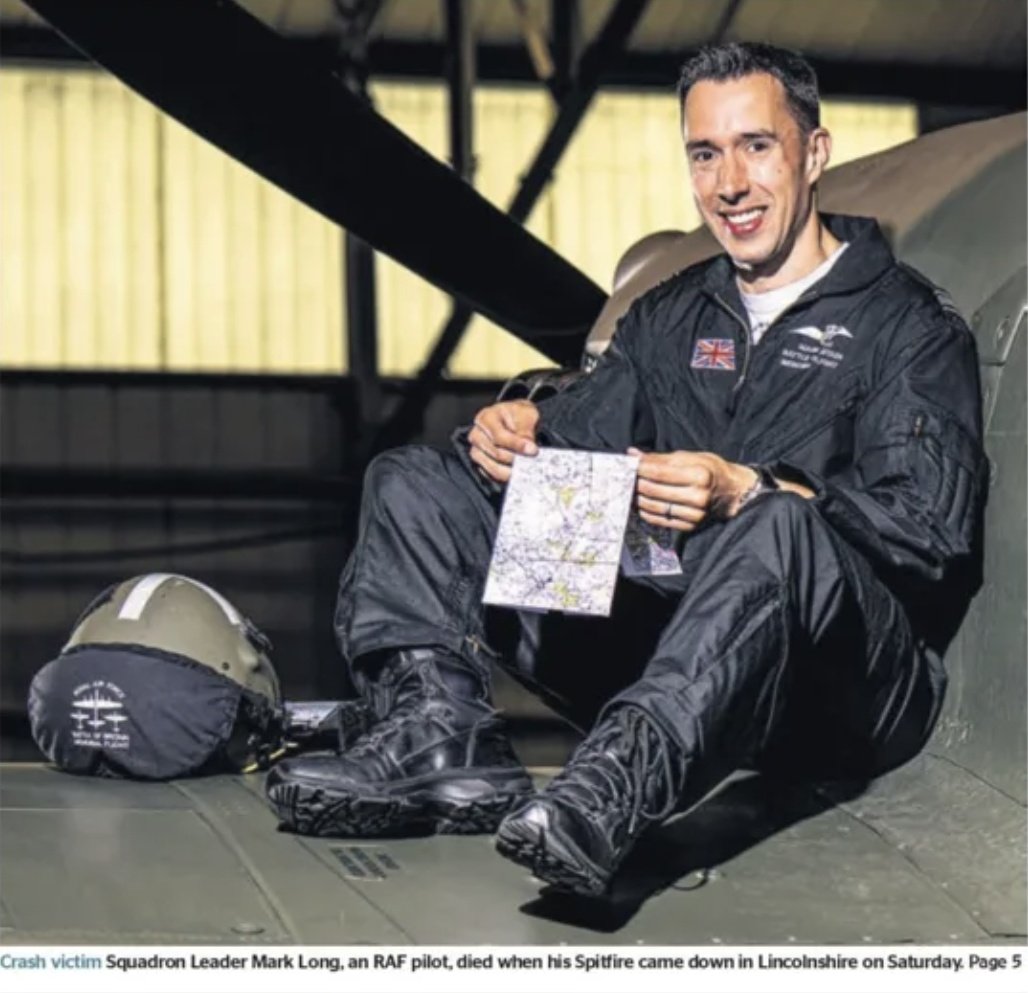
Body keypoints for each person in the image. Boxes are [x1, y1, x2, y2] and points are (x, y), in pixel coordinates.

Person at [267, 41, 986, 896]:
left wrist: (752, 488)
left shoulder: (909, 327)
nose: (730, 184)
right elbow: (574, 449)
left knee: (778, 524)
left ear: (814, 152)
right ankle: (436, 729)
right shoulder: (673, 314)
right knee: (420, 477)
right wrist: (515, 433)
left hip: (838, 693)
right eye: (705, 153)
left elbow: (932, 533)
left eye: (757, 146)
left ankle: (615, 787)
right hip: (670, 643)